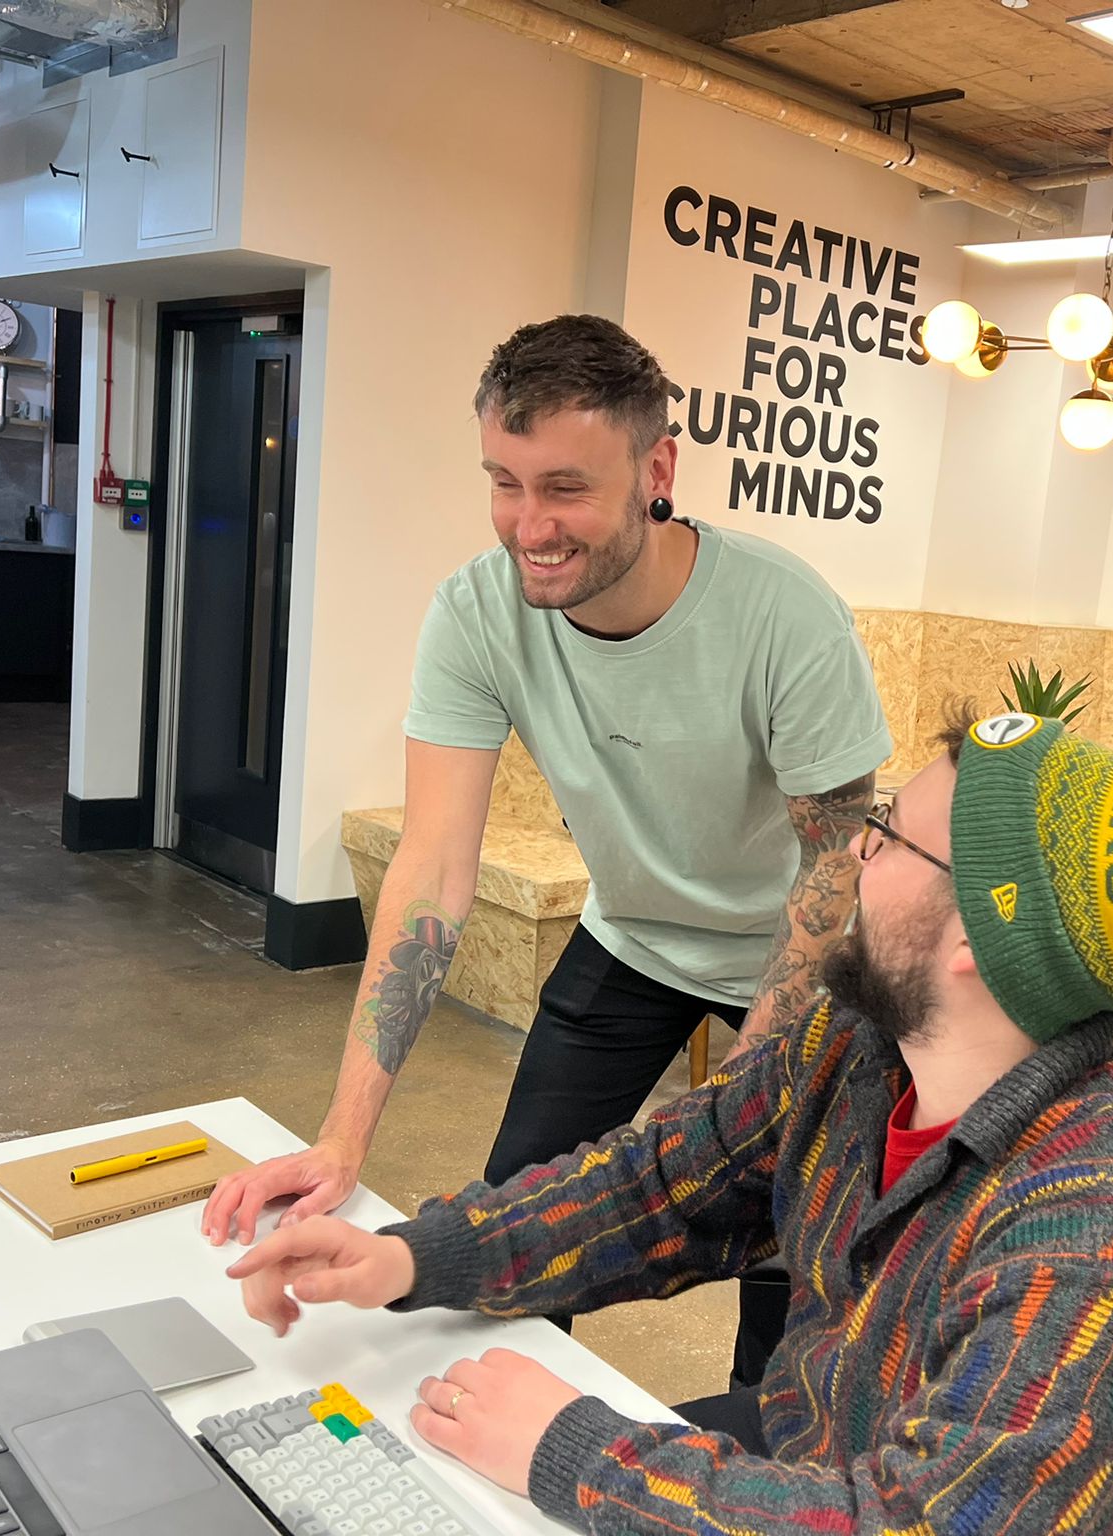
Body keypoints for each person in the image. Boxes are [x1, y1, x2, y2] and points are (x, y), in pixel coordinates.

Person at [223, 706, 1113, 1535]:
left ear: (975, 940)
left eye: (889, 838)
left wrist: (579, 1455)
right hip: (809, 1456)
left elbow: (918, 1524)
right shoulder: (856, 1048)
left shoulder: (1105, 1237)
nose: (854, 852)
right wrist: (413, 1256)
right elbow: (657, 1188)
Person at [203, 314, 891, 1386]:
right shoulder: (476, 613)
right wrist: (341, 1139)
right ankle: (494, 1426)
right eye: (504, 483)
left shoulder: (784, 615)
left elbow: (834, 872)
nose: (530, 526)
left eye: (565, 487)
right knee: (522, 1220)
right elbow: (433, 870)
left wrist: (735, 1114)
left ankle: (769, 1443)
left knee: (791, 1246)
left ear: (656, 470)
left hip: (795, 953)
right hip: (633, 941)